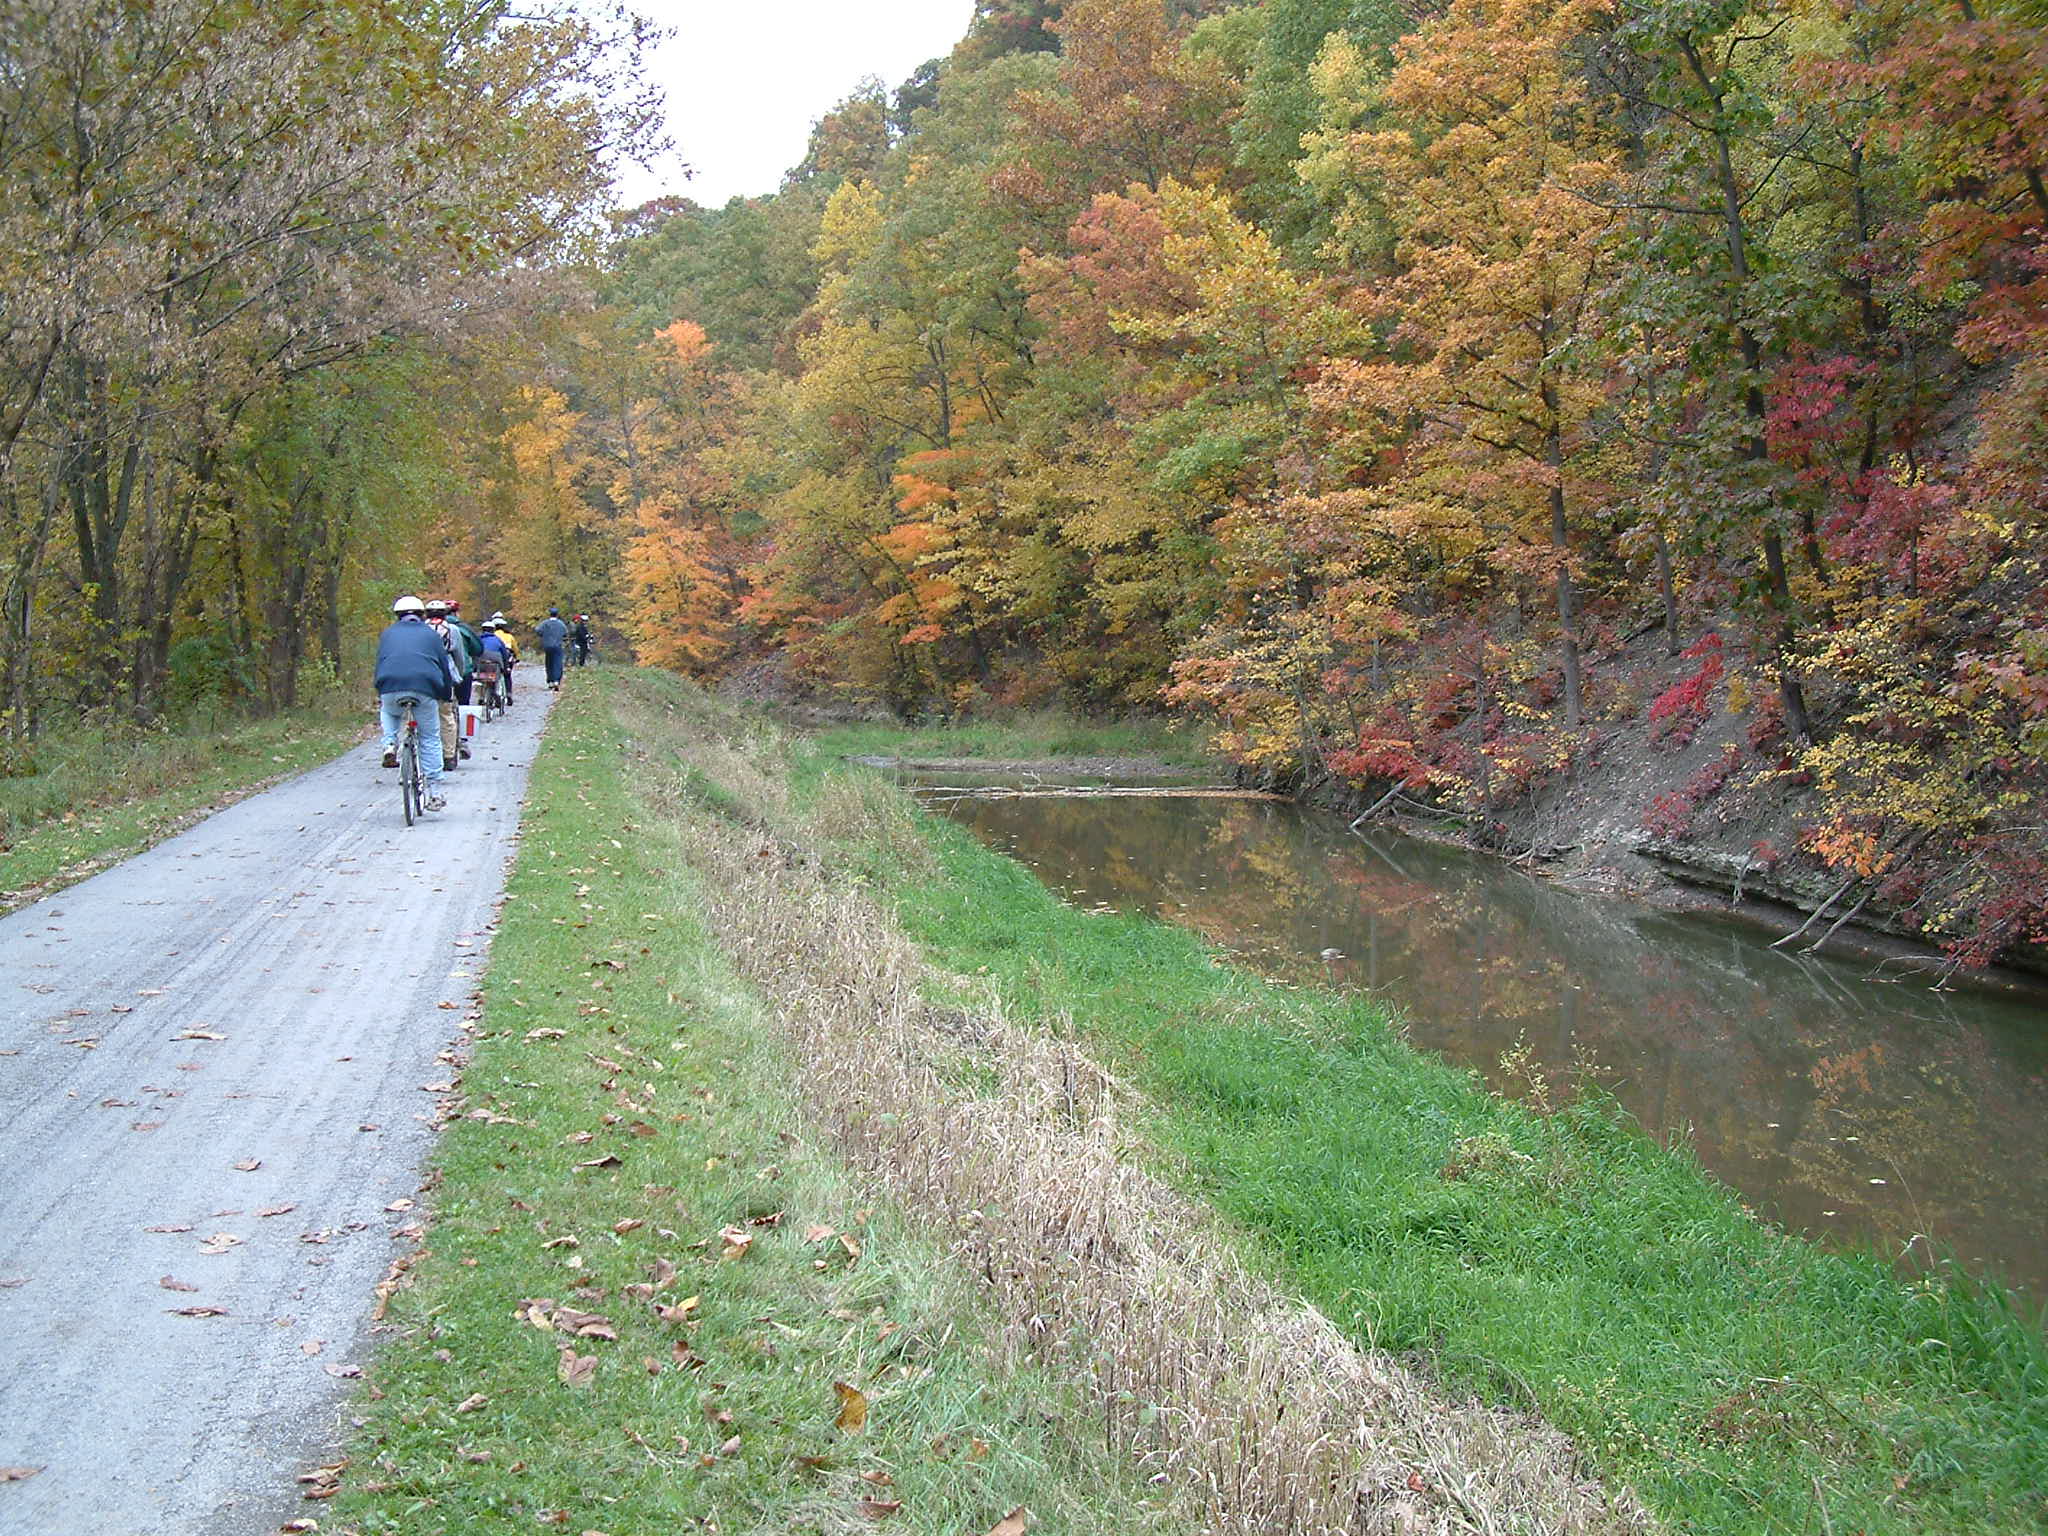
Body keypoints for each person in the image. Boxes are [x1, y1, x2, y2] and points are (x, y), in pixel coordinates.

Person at [375, 595, 453, 811]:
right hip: (424, 687)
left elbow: (381, 662)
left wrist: (380, 689)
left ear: (398, 616)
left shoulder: (387, 634)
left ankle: (390, 744)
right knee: (429, 736)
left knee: (389, 712)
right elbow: (443, 668)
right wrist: (445, 694)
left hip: (389, 685)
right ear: (422, 615)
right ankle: (434, 792)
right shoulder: (431, 635)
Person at [424, 600, 469, 768]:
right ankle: (449, 755)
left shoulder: (422, 628)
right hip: (445, 673)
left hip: (425, 673)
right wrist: (460, 673)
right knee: (446, 714)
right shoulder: (453, 629)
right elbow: (458, 654)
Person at [536, 607, 568, 690]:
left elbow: (538, 630)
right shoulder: (561, 624)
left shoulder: (545, 623)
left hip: (547, 646)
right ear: (557, 614)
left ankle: (550, 681)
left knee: (549, 663)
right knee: (557, 663)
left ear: (550, 614)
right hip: (557, 646)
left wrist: (544, 636)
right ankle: (556, 681)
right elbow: (565, 633)